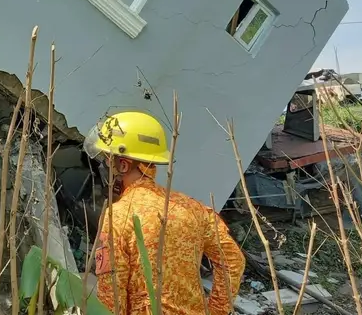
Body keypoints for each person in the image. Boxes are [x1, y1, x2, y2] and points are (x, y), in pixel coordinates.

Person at [84, 111, 245, 315]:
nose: (105, 166)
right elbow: (233, 261)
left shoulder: (118, 216)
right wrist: (215, 311)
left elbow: (111, 295)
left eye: (107, 160)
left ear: (123, 165)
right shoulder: (193, 208)